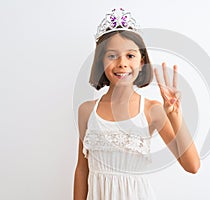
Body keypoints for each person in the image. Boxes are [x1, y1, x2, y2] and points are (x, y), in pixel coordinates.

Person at [73, 8, 200, 200]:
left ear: (142, 62)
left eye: (130, 56)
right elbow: (82, 169)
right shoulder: (87, 110)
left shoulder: (151, 110)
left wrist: (175, 117)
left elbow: (192, 166)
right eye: (112, 56)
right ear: (101, 62)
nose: (122, 63)